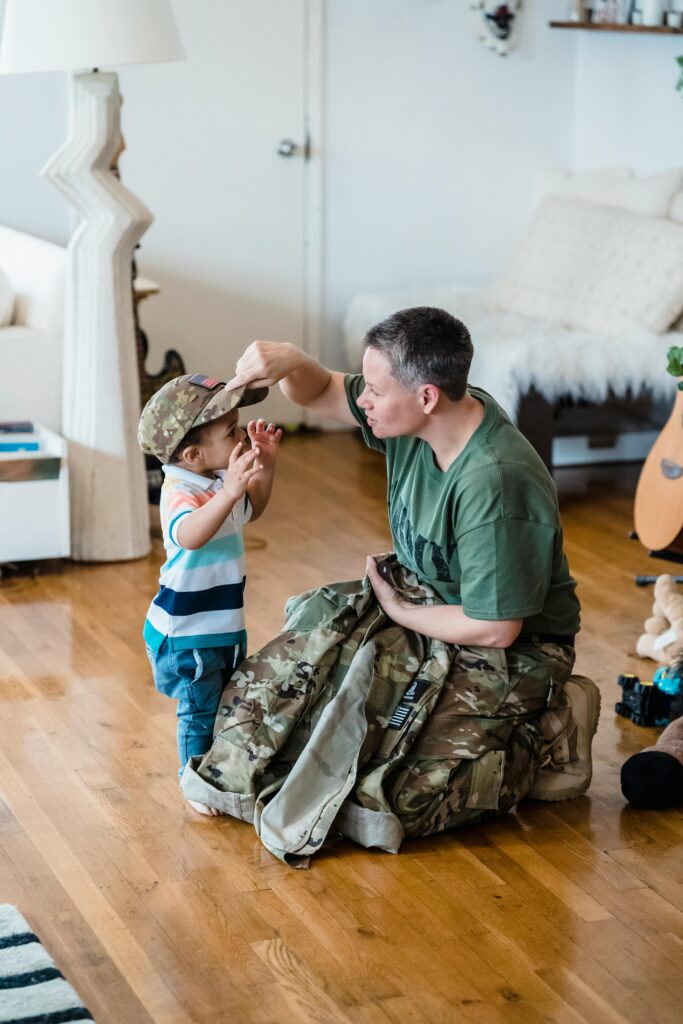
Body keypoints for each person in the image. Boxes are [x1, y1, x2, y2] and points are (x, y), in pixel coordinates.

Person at [225, 306, 600, 802]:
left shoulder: (496, 481)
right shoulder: (418, 418)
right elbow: (318, 392)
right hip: (430, 604)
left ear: (426, 396)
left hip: (514, 645)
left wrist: (401, 611)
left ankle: (552, 728)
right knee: (300, 716)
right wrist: (292, 361)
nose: (364, 400)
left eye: (374, 392)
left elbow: (496, 627)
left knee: (399, 795)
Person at [137, 373, 282, 814]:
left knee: (223, 703)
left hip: (220, 622)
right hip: (187, 629)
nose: (242, 436)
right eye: (231, 432)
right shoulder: (180, 491)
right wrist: (232, 487)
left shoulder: (216, 479)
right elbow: (192, 534)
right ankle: (192, 780)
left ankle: (217, 766)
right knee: (199, 710)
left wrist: (264, 468)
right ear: (193, 454)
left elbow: (249, 511)